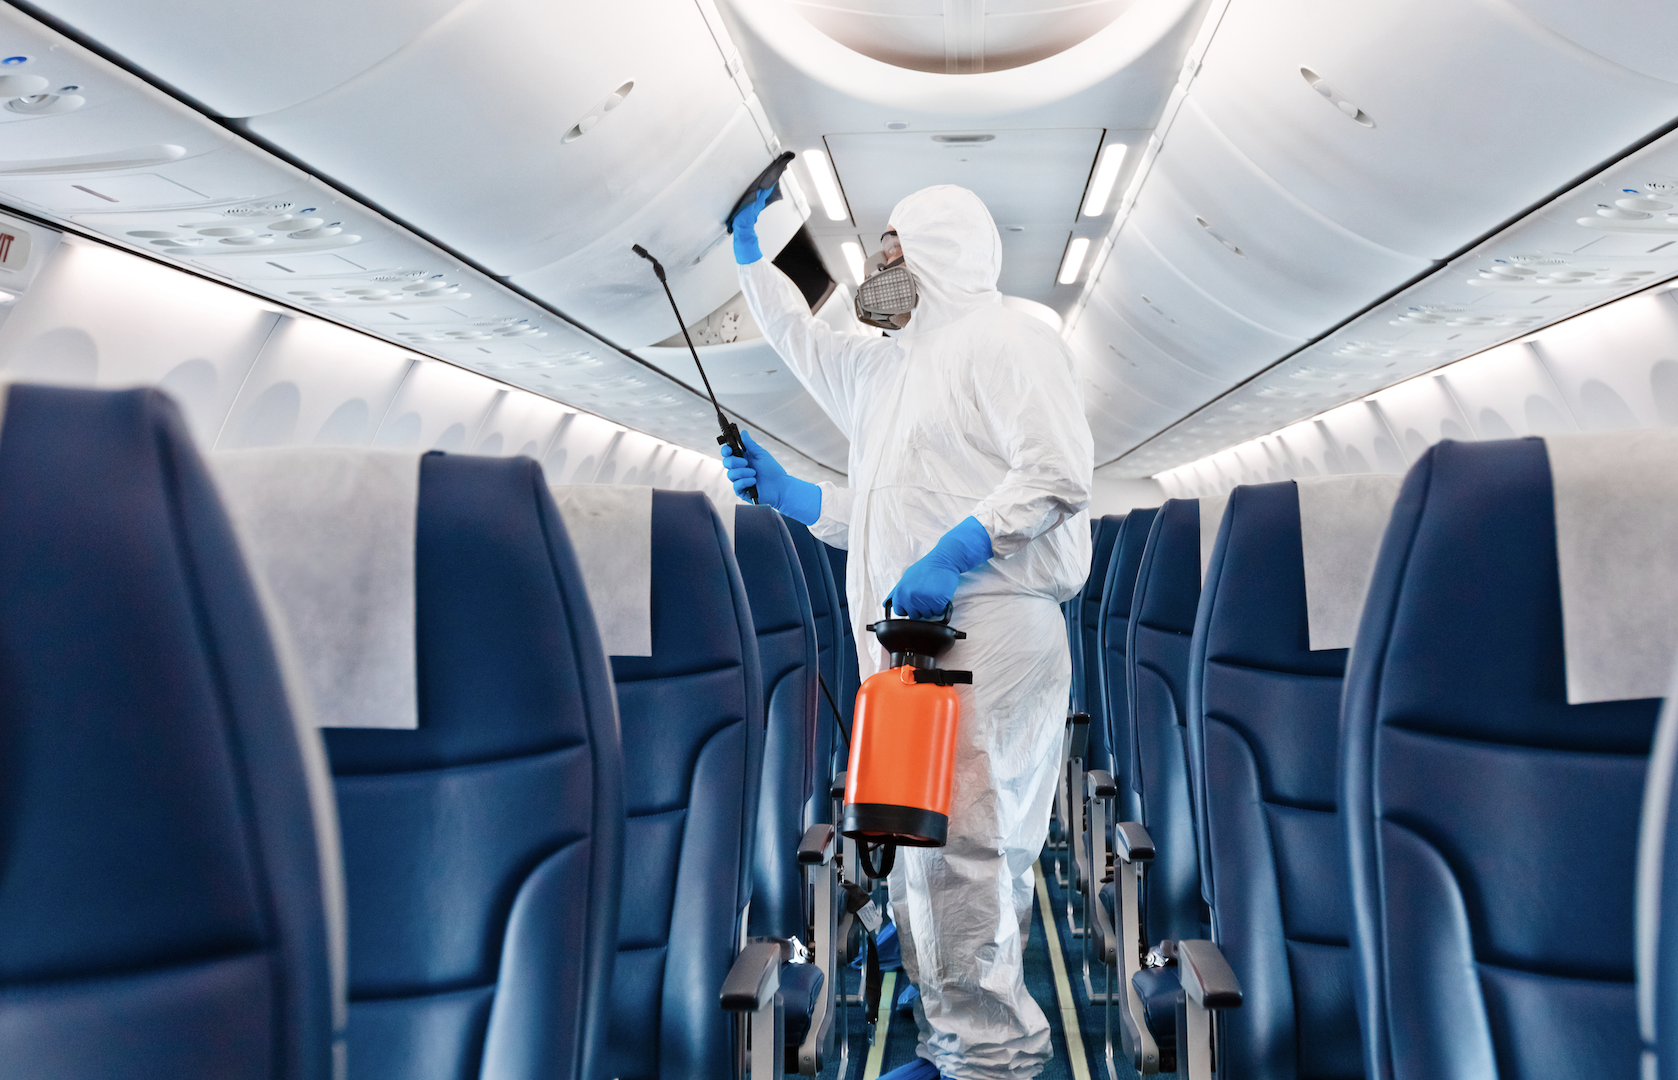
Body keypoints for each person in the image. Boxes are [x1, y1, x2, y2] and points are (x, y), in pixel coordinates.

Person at [722, 182, 1094, 1080]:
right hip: (917, 653)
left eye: (891, 245)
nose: (878, 263)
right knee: (919, 853)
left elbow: (1056, 471)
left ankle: (990, 1058)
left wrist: (962, 548)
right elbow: (811, 351)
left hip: (989, 636)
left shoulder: (1006, 338)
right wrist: (752, 259)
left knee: (963, 859)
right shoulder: (893, 370)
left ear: (937, 249)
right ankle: (954, 1040)